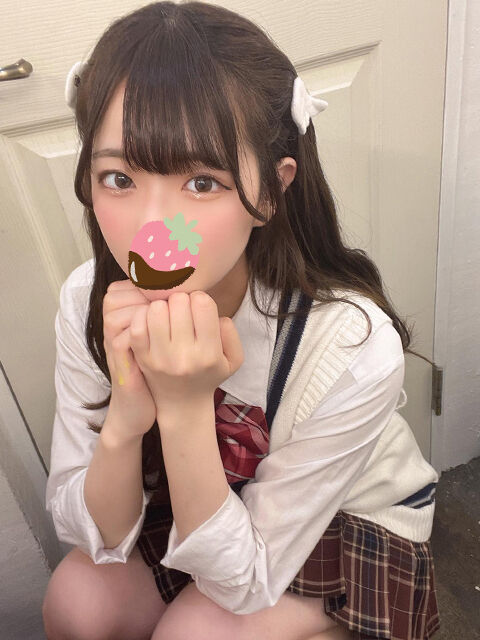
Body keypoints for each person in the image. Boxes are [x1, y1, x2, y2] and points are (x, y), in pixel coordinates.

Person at [42, 2, 441, 639]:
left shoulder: (348, 344)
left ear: (273, 189)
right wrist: (126, 415)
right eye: (118, 177)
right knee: (76, 603)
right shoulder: (88, 299)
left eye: (202, 183)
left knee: (193, 633)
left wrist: (183, 407)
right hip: (204, 492)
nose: (152, 230)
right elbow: (92, 532)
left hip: (337, 513)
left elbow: (242, 582)